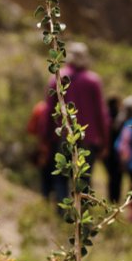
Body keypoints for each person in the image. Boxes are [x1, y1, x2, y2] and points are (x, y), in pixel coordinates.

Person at [46, 41, 110, 205]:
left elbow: (49, 111)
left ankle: (63, 213)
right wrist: (104, 141)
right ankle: (82, 215)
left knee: (61, 178)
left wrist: (45, 139)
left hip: (63, 137)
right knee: (84, 179)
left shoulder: (57, 79)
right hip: (88, 138)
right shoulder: (93, 81)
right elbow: (101, 114)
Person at [26, 99, 55, 201]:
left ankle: (45, 201)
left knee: (45, 178)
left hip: (44, 150)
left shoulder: (39, 108)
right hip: (57, 150)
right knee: (58, 180)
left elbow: (30, 129)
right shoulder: (63, 110)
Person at [104, 96, 125, 203]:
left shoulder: (105, 117)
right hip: (118, 152)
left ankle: (112, 199)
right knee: (118, 177)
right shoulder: (121, 118)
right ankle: (116, 199)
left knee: (111, 177)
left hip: (107, 151)